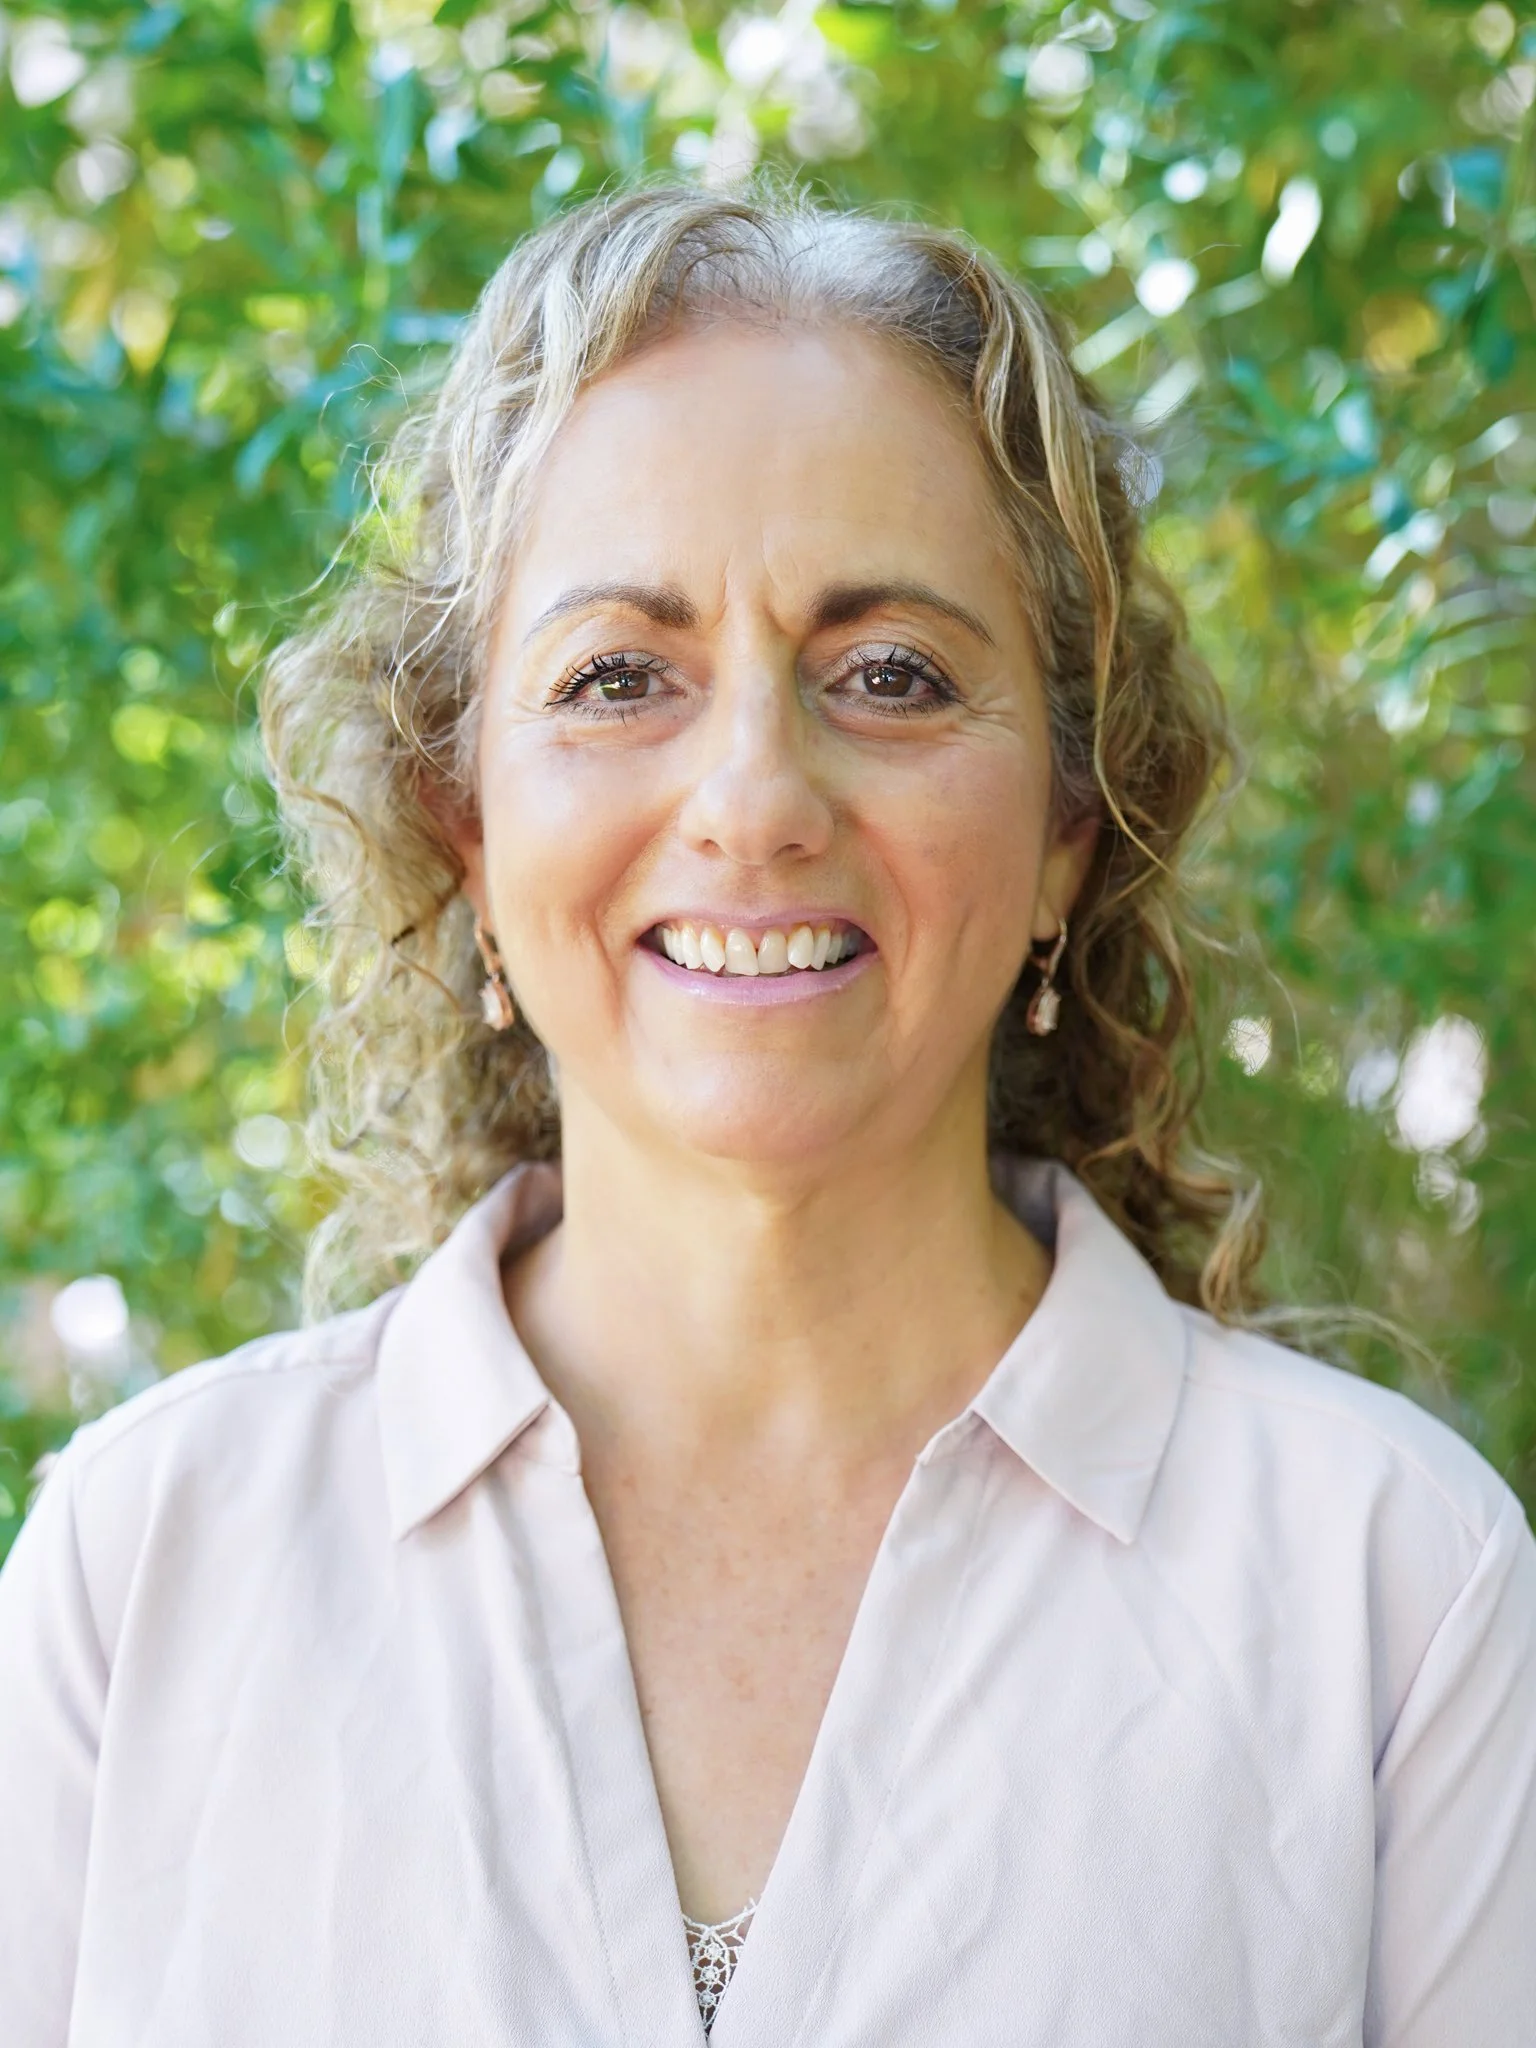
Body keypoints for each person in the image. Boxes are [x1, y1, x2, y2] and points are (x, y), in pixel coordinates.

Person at [2, 183, 1533, 2048]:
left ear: (1067, 825)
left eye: (889, 674)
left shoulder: (1400, 1598)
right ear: (465, 826)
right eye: (617, 677)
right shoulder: (144, 1568)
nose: (753, 796)